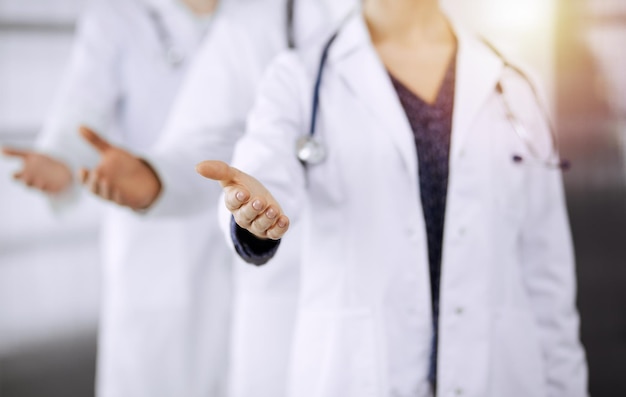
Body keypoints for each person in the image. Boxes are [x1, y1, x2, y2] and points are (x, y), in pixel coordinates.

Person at [197, 0, 589, 396]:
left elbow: (547, 277)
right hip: (360, 375)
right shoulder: (299, 77)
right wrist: (254, 214)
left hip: (502, 375)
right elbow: (264, 174)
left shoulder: (514, 84)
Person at [1, 1, 231, 396]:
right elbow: (80, 114)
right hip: (154, 242)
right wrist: (62, 161)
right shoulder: (117, 18)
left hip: (249, 244)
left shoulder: (264, 15)